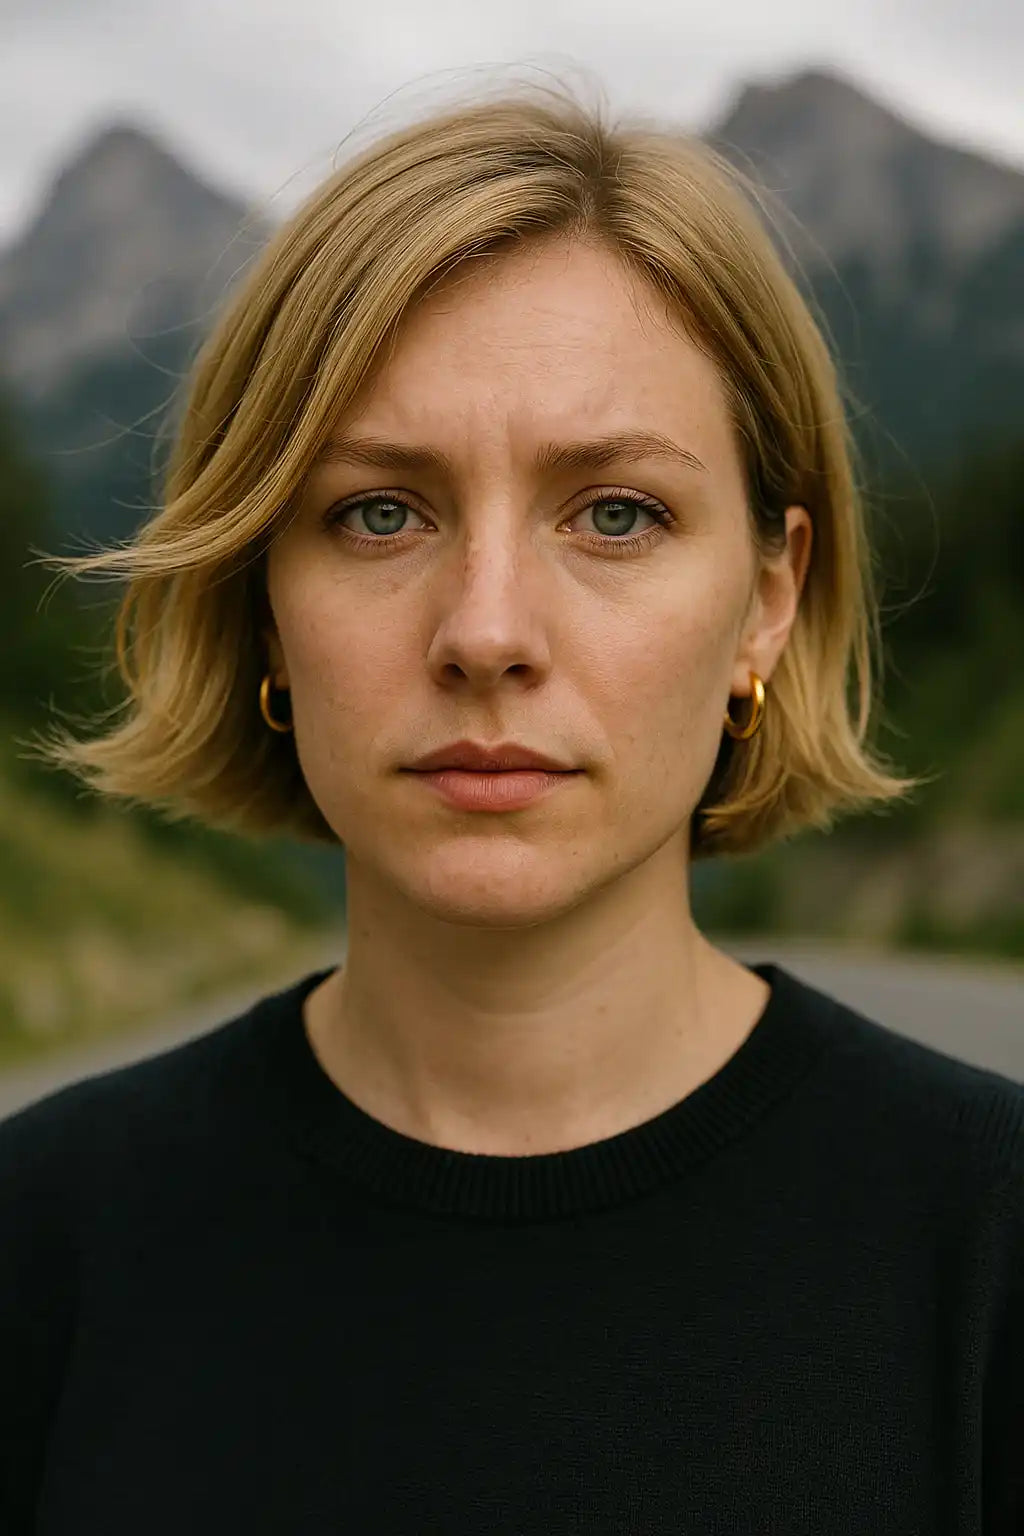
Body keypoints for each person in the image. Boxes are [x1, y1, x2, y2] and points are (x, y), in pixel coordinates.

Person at [2, 78, 1022, 1534]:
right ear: (263, 609)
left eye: (616, 513)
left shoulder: (988, 1244)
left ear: (768, 602)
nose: (487, 631)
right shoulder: (41, 1243)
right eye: (379, 512)